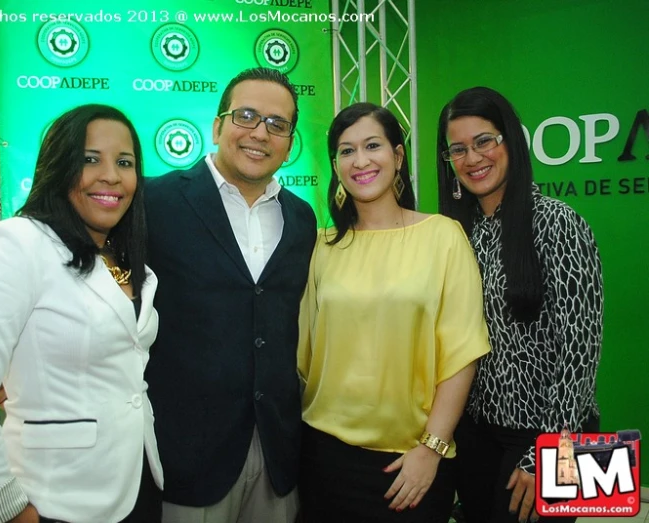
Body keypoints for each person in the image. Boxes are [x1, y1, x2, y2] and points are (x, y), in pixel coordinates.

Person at [0, 104, 163, 523]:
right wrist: (4, 510)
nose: (111, 175)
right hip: (54, 498)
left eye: (124, 162)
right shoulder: (20, 242)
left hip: (135, 483)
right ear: (58, 167)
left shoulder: (126, 258)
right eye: (90, 159)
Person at [297, 102, 491, 523]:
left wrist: (432, 448)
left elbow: (462, 352)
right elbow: (304, 355)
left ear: (398, 156)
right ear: (335, 164)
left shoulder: (442, 236)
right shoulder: (320, 245)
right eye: (346, 151)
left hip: (411, 462)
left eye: (372, 146)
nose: (360, 161)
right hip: (324, 457)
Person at [143, 67, 317, 523]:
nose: (261, 133)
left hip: (277, 456)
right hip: (187, 457)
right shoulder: (154, 203)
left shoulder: (301, 219)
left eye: (277, 124)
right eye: (246, 116)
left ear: (290, 140)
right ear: (218, 125)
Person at [436, 87, 604, 523]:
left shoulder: (558, 223)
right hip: (472, 436)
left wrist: (549, 453)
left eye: (484, 141)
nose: (473, 158)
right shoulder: (454, 235)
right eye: (458, 148)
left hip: (545, 438)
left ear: (511, 140)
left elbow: (579, 353)